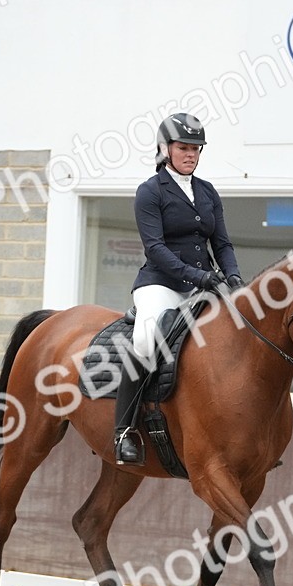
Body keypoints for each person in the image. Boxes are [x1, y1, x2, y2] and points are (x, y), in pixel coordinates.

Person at [113, 112, 245, 466]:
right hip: (161, 283)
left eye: (196, 149)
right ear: (165, 149)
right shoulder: (150, 192)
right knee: (145, 339)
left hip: (205, 285)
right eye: (184, 147)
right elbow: (155, 248)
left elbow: (223, 243)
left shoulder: (207, 191)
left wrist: (232, 276)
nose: (191, 154)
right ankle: (124, 432)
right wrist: (200, 277)